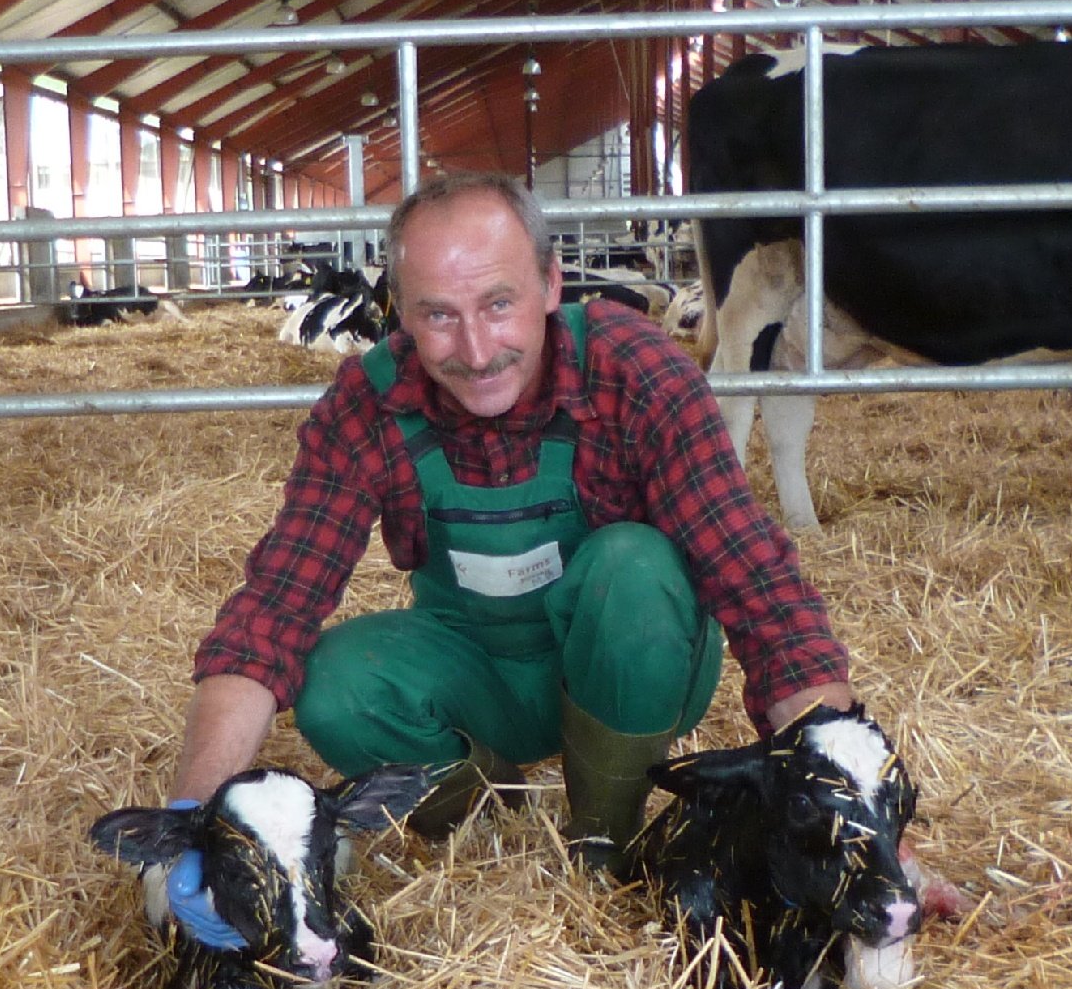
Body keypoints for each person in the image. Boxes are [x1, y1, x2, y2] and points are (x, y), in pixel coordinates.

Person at [146, 169, 861, 945]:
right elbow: (273, 609)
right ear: (400, 313)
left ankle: (603, 837)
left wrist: (856, 828)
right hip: (477, 669)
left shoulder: (636, 369)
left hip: (628, 661)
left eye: (498, 303)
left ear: (552, 284)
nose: (477, 350)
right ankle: (483, 811)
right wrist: (191, 822)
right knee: (332, 683)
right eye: (439, 316)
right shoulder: (367, 404)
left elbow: (757, 584)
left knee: (636, 564)